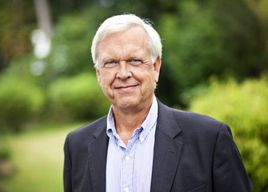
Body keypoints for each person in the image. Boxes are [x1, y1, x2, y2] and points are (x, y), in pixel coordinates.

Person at [63, 14, 252, 192]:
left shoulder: (210, 139)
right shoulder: (77, 146)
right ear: (98, 74)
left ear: (156, 67)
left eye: (134, 61)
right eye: (111, 63)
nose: (123, 73)